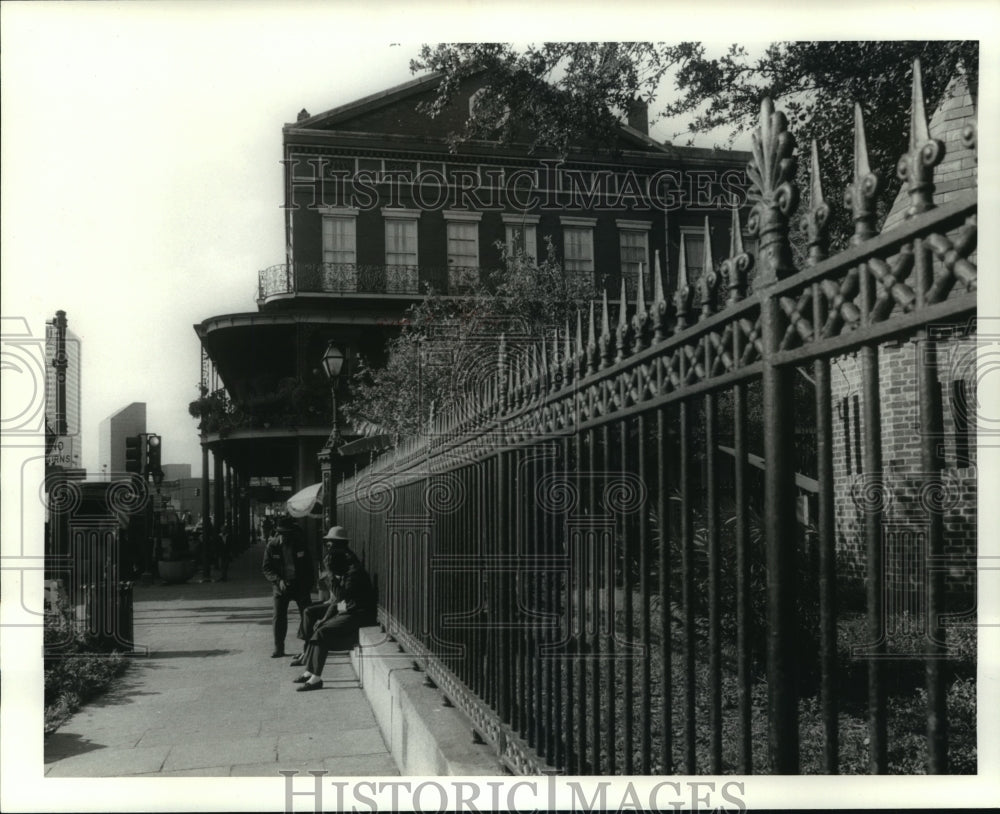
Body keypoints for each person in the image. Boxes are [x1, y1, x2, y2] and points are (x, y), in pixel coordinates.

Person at [294, 525, 376, 691]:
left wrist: (330, 575)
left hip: (359, 614)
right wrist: (325, 618)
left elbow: (340, 597)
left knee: (322, 631)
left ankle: (316, 678)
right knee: (320, 626)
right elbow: (339, 601)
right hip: (351, 609)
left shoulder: (353, 572)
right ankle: (310, 671)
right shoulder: (347, 568)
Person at [262, 516, 315, 658]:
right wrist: (278, 581)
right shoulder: (272, 546)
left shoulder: (300, 543)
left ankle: (308, 646)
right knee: (279, 617)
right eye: (282, 533)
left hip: (300, 585)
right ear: (278, 532)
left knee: (307, 615)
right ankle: (279, 648)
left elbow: (309, 566)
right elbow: (267, 568)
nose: (285, 536)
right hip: (281, 587)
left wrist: (308, 586)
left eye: (288, 533)